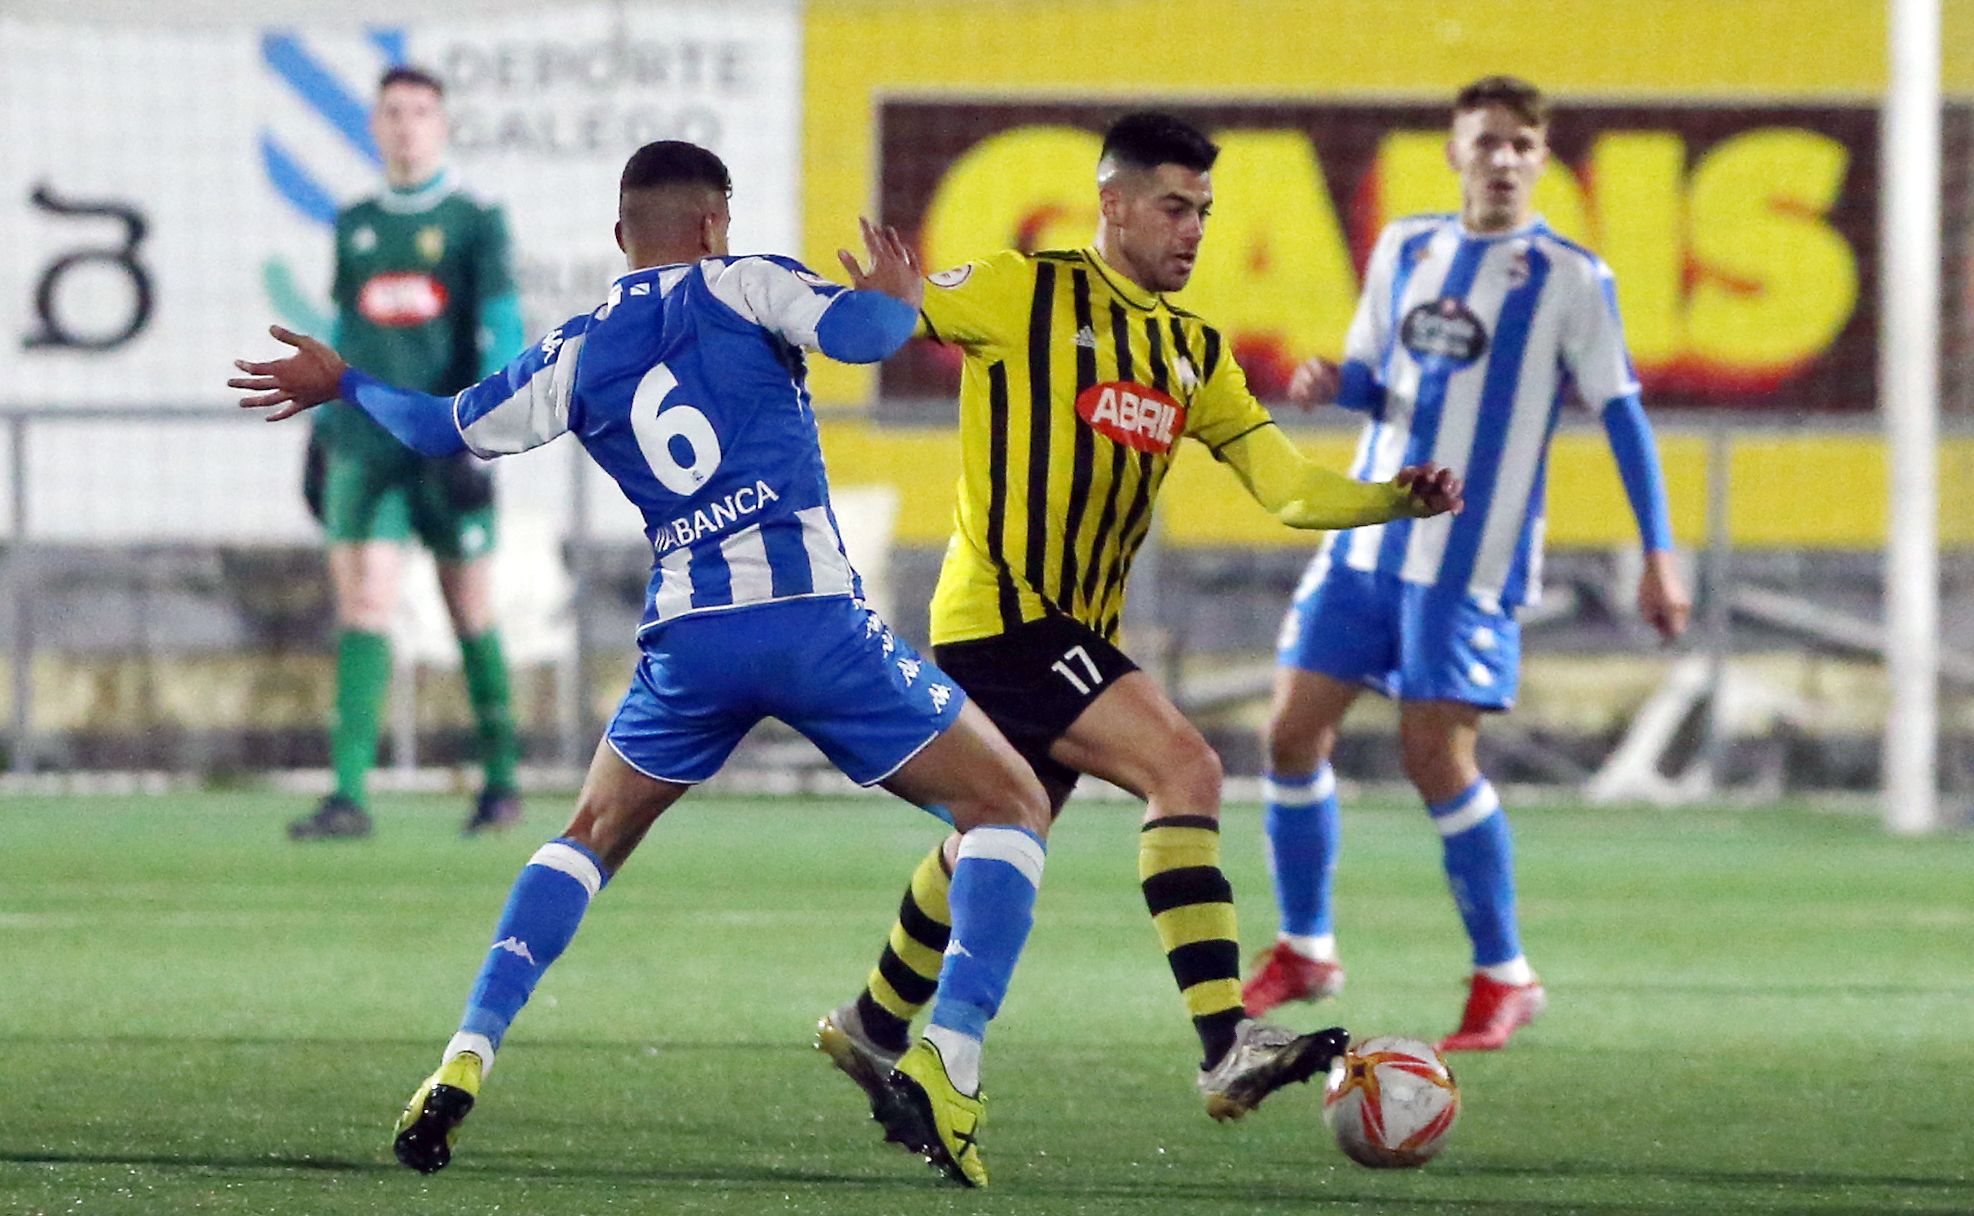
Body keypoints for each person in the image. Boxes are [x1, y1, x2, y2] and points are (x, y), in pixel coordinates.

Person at [232, 141, 1053, 1189]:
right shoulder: (749, 279)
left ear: (623, 239)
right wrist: (892, 291)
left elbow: (444, 431)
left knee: (588, 835)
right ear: (714, 223)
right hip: (810, 622)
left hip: (689, 643)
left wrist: (342, 379)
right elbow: (871, 333)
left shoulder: (579, 348)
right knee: (1009, 805)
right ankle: (953, 1061)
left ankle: (466, 1055)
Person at [815, 113, 1463, 1124]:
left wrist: (1394, 497)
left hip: (1068, 629)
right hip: (1003, 614)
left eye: (1204, 210)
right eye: (1174, 206)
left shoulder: (1192, 351)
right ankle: (1225, 1040)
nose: (1193, 229)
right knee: (1186, 767)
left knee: (996, 831)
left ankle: (873, 1021)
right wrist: (887, 308)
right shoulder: (1024, 288)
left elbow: (1288, 490)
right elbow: (895, 319)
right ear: (1111, 204)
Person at [1242, 76, 1691, 1051]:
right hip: (1366, 539)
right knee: (1288, 734)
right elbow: (1377, 376)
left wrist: (1659, 552)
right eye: (1486, 141)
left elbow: (1621, 413)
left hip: (1469, 561)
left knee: (1432, 755)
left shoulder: (1572, 278)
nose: (1503, 159)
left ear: (1541, 161)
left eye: (1523, 144)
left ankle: (1505, 973)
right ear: (1455, 152)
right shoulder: (1405, 249)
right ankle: (1307, 946)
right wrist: (1333, 381)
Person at [291, 64, 529, 841]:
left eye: (421, 111)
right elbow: (347, 330)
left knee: (469, 606)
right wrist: (319, 428)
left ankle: (500, 781)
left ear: (443, 124)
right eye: (393, 111)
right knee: (364, 602)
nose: (406, 125)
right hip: (363, 442)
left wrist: (480, 430)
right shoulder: (354, 221)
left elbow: (500, 327)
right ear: (373, 124)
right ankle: (348, 794)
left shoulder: (474, 221)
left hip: (444, 443)